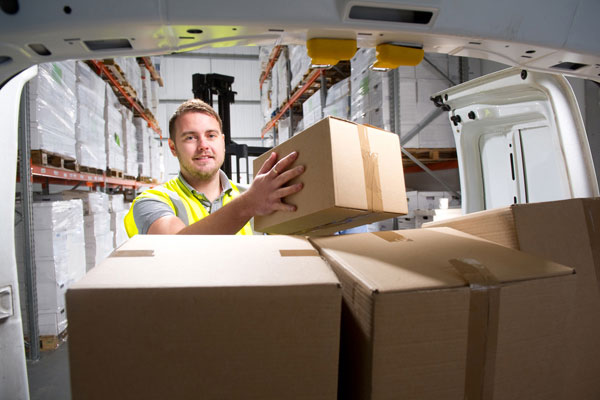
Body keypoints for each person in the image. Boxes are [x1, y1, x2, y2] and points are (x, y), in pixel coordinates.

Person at [124, 99, 304, 236]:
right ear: (173, 148)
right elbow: (176, 249)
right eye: (190, 137)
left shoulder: (256, 196)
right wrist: (249, 204)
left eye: (211, 135)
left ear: (223, 142)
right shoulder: (152, 201)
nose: (203, 145)